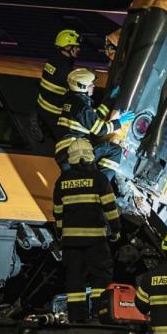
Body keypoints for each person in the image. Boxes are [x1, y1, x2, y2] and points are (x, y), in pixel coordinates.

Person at [53, 138, 122, 323]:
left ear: (71, 158)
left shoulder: (61, 182)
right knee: (100, 278)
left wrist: (61, 234)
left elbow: (57, 213)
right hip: (95, 242)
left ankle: (77, 320)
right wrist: (116, 229)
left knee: (75, 283)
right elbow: (110, 208)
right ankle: (99, 317)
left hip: (71, 243)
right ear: (91, 156)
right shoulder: (99, 178)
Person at [55, 68, 133, 181]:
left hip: (67, 154)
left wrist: (110, 99)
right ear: (82, 87)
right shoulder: (81, 106)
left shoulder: (73, 101)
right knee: (114, 150)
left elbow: (95, 117)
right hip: (76, 153)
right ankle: (102, 184)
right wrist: (119, 122)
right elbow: (100, 129)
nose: (93, 86)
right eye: (91, 84)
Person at [36, 29, 81, 138]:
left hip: (42, 104)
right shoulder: (66, 68)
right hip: (54, 111)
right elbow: (74, 90)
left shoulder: (52, 60)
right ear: (67, 47)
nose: (78, 49)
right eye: (75, 46)